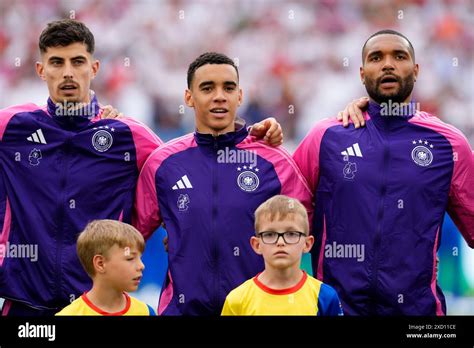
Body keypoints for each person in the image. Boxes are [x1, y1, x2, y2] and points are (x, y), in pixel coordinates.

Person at [0, 19, 281, 316]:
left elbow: (188, 164)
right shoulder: (12, 127)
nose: (68, 72)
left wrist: (248, 139)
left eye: (77, 61)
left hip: (100, 304)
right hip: (24, 304)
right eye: (56, 62)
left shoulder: (128, 136)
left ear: (94, 69)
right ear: (41, 70)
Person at [293, 29, 474, 315]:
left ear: (415, 71)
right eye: (376, 57)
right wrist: (258, 139)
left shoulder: (449, 144)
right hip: (336, 311)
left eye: (398, 56)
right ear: (362, 74)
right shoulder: (325, 137)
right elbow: (277, 215)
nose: (387, 64)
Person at [133, 52, 314, 315]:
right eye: (207, 88)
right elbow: (131, 235)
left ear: (240, 96)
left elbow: (312, 230)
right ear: (188, 98)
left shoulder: (274, 161)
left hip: (257, 310)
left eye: (228, 88)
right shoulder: (163, 163)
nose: (219, 95)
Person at [221, 195, 343, 316]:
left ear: (307, 243)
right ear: (257, 244)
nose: (280, 242)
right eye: (270, 234)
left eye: (291, 234)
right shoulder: (237, 300)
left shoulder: (325, 297)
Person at [56, 220, 154, 315]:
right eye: (130, 258)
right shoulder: (70, 314)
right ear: (100, 264)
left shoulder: (146, 312)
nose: (141, 266)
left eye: (140, 258)